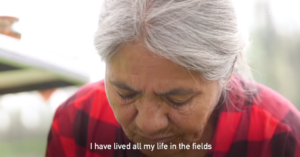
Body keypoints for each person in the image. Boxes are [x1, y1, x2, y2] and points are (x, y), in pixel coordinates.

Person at [45, 0, 300, 157]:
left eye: (177, 99)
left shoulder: (280, 139)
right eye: (126, 94)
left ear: (227, 71)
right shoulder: (78, 122)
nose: (148, 124)